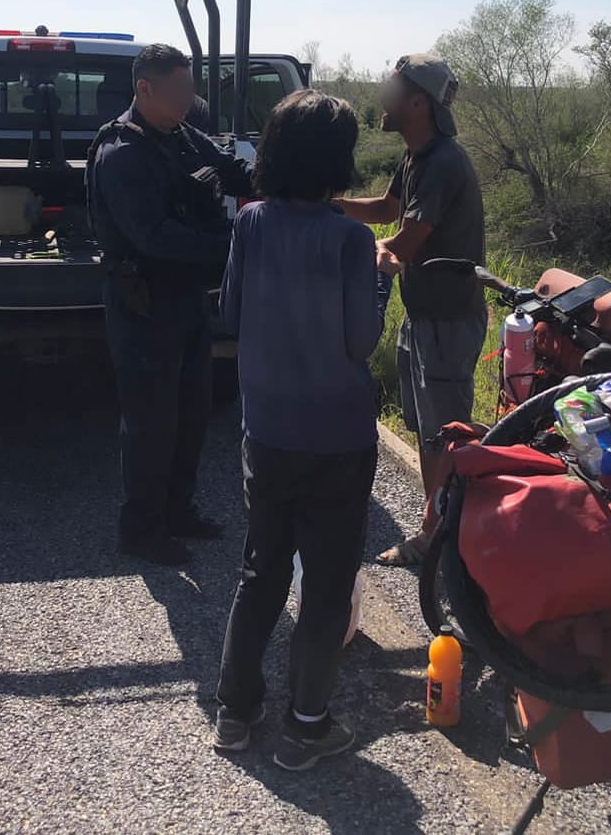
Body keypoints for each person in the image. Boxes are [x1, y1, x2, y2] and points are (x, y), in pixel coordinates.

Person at [213, 90, 389, 770]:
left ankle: (235, 711)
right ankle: (307, 725)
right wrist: (380, 284)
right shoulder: (351, 239)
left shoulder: (251, 222)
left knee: (259, 570)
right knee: (325, 581)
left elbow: (230, 313)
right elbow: (359, 342)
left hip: (268, 427)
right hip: (338, 436)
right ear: (337, 160)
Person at [87, 44, 254, 566]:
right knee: (150, 421)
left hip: (184, 300)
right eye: (179, 90)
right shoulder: (123, 154)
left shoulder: (179, 135)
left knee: (192, 410)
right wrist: (237, 244)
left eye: (191, 90)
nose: (189, 99)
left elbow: (228, 170)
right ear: (145, 90)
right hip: (144, 304)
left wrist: (286, 190)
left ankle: (178, 510)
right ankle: (141, 529)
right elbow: (153, 236)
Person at [340, 54, 486, 568]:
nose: (384, 96)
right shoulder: (417, 157)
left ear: (418, 102)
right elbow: (386, 210)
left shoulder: (443, 162)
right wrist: (330, 204)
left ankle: (442, 541)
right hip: (425, 315)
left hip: (447, 320)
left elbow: (405, 240)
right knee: (429, 433)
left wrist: (369, 251)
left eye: (393, 88)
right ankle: (439, 527)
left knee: (446, 435)